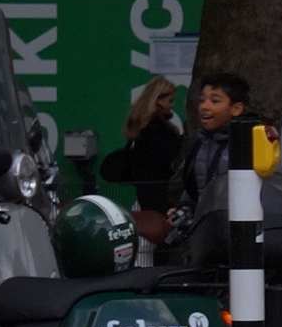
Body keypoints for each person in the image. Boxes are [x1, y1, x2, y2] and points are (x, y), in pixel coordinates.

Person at [167, 73, 250, 225]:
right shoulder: (197, 144)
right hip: (205, 231)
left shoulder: (251, 143)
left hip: (240, 229)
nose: (204, 106)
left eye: (215, 101)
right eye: (202, 100)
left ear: (236, 109)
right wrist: (185, 207)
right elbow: (195, 185)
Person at [102, 76, 182, 214]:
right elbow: (168, 160)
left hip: (146, 192)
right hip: (162, 194)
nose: (172, 105)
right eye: (170, 100)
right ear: (159, 100)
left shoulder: (141, 127)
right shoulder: (157, 129)